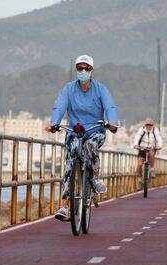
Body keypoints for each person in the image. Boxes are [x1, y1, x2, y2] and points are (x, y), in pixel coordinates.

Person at [45, 54, 119, 221]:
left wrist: (112, 122)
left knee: (90, 145)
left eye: (86, 68)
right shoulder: (69, 89)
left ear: (92, 71)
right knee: (69, 163)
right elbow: (59, 106)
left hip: (95, 130)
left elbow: (110, 106)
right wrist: (54, 123)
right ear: (76, 70)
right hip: (74, 131)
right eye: (80, 68)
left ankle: (95, 177)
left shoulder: (101, 89)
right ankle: (65, 205)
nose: (83, 71)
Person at [133, 118, 163, 188]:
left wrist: (159, 145)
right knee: (140, 164)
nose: (149, 126)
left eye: (150, 125)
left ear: (153, 125)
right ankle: (140, 180)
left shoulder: (155, 130)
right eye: (147, 124)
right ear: (145, 125)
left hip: (151, 147)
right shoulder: (141, 130)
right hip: (142, 148)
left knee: (152, 153)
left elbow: (159, 138)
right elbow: (137, 136)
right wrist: (136, 144)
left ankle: (152, 169)